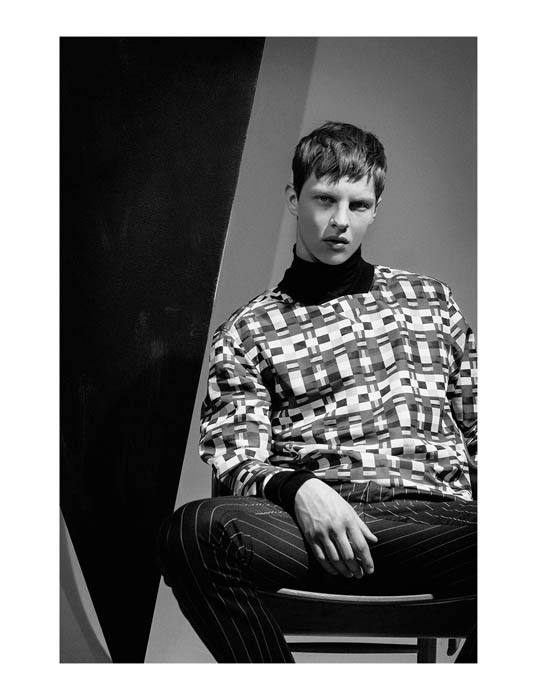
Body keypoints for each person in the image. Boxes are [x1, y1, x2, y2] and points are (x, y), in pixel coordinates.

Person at [157, 121, 477, 663]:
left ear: (375, 208)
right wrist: (300, 489)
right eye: (325, 199)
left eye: (358, 204)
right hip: (307, 531)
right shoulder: (248, 330)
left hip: (433, 524)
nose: (340, 221)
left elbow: (480, 424)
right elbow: (237, 458)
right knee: (193, 533)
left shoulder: (430, 300)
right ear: (294, 198)